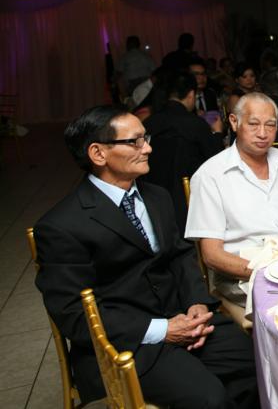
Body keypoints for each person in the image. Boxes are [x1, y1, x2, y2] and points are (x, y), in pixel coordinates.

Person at [33, 106, 258, 408]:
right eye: (135, 141)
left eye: (146, 138)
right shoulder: (62, 225)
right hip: (127, 345)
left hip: (183, 318)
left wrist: (196, 303)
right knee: (209, 398)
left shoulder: (157, 196)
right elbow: (73, 313)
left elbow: (180, 256)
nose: (148, 148)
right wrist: (163, 330)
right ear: (98, 153)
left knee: (258, 363)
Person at [185, 93, 278, 307]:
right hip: (242, 274)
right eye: (253, 124)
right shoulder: (211, 175)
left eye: (270, 125)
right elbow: (211, 255)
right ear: (234, 122)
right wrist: (269, 271)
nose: (263, 133)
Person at [142, 71, 225, 230]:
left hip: (154, 197)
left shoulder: (150, 122)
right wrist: (217, 133)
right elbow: (215, 161)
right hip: (190, 198)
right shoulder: (195, 124)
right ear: (191, 94)